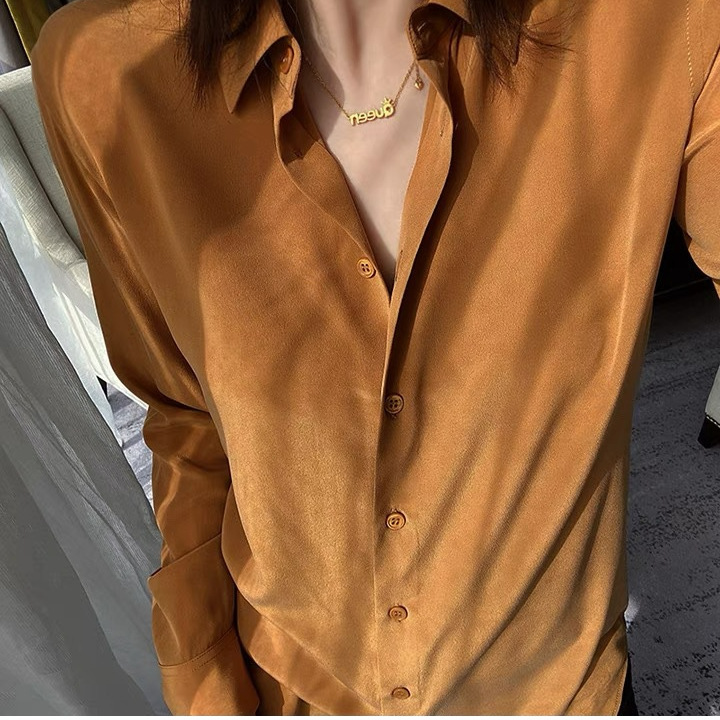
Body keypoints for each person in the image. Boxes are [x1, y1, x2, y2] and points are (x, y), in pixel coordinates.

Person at [29, 0, 718, 714]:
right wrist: (200, 674)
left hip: (555, 691)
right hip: (286, 689)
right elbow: (185, 412)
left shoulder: (652, 21)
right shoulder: (104, 71)